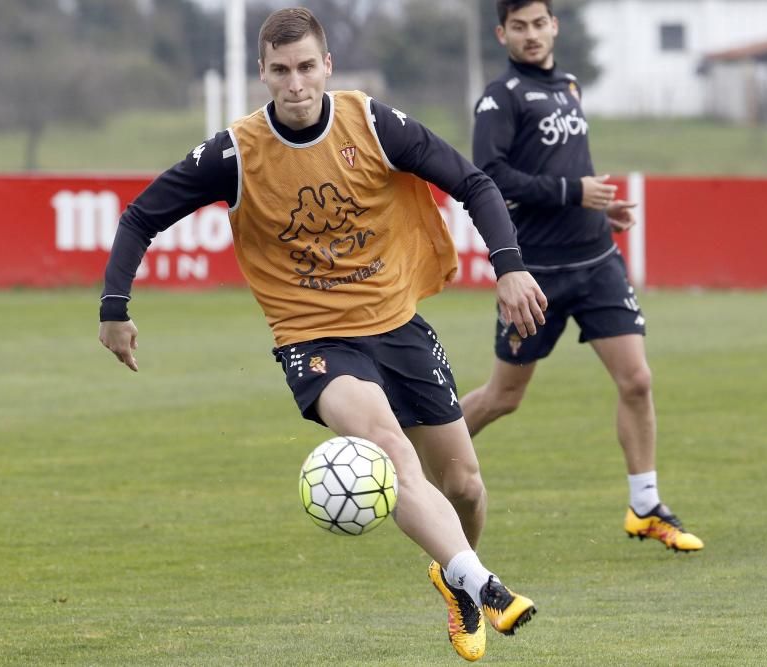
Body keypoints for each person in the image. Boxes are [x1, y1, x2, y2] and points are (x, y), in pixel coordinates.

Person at [98, 7, 547, 662]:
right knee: (390, 448)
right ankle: (485, 582)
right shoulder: (236, 151)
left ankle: (455, 577)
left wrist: (509, 268)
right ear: (262, 74)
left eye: (307, 67)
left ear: (327, 66)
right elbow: (141, 215)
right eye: (280, 70)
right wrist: (115, 306)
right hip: (313, 341)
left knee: (466, 485)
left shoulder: (373, 123)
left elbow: (472, 182)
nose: (296, 83)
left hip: (398, 327)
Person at [462, 0, 703, 553]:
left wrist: (597, 207)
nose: (530, 35)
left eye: (538, 24)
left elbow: (568, 166)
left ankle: (645, 506)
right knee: (503, 396)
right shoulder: (500, 98)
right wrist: (575, 194)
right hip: (536, 274)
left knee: (637, 380)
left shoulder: (569, 86)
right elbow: (489, 176)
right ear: (502, 34)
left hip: (596, 261)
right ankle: (412, 455)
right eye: (518, 27)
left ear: (554, 27)